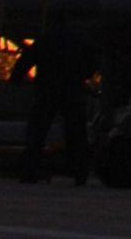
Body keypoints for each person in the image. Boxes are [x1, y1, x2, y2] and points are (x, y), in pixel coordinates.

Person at [14, 23, 99, 185]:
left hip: (47, 90)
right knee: (76, 132)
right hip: (72, 90)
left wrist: (16, 78)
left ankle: (30, 170)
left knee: (37, 132)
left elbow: (27, 59)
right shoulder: (81, 41)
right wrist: (81, 75)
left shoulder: (45, 40)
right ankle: (79, 172)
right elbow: (92, 63)